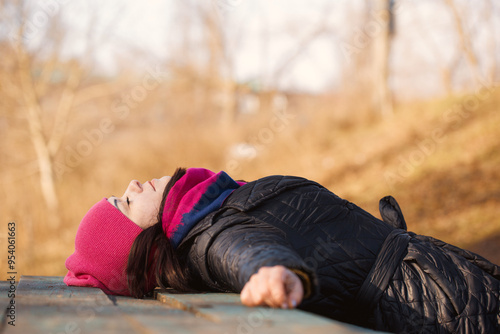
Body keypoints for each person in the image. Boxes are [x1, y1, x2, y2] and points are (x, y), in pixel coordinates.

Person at [65, 167, 500, 333]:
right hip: (429, 301)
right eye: (124, 204)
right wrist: (273, 273)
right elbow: (245, 251)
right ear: (142, 244)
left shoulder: (210, 206)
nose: (131, 186)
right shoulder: (207, 234)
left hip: (429, 275)